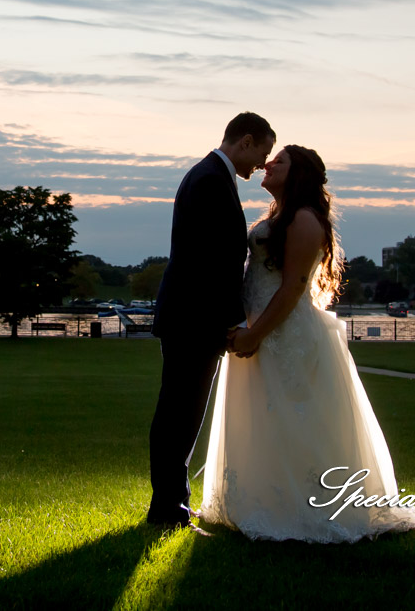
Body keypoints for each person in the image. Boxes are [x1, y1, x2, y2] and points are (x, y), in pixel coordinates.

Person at [199, 145, 415, 541]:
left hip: (284, 334)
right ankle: (259, 500)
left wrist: (256, 334)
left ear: (299, 174)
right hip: (261, 328)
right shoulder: (278, 216)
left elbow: (294, 285)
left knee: (294, 419)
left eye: (279, 161)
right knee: (262, 416)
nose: (268, 164)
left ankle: (306, 507)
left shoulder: (304, 219)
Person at [146, 112, 275, 530]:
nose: (261, 165)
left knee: (180, 414)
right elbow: (210, 265)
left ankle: (171, 505)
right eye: (262, 152)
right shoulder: (208, 181)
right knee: (179, 416)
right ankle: (168, 510)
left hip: (190, 317)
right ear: (246, 141)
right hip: (193, 319)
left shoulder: (210, 177)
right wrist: (231, 322)